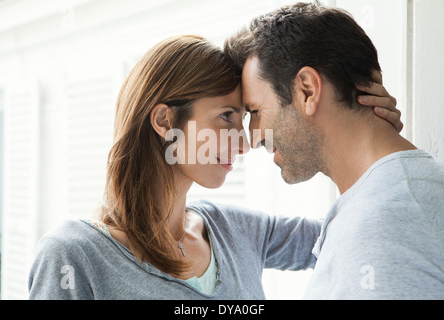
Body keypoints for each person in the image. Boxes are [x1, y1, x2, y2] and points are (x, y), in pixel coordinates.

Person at [28, 35, 401, 299]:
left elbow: (356, 234)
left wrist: (361, 129)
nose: (244, 142)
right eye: (226, 116)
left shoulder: (236, 231)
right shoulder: (74, 256)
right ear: (164, 121)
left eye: (243, 119)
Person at [224, 2, 444, 299]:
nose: (254, 138)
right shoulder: (393, 198)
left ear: (307, 90)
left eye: (255, 111)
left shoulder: (384, 227)